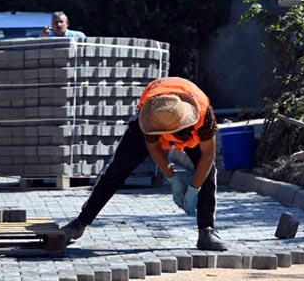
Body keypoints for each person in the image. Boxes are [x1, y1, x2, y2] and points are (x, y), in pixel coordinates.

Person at [60, 76, 227, 251]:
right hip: (156, 113)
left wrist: (194, 188)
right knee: (116, 170)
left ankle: (206, 231)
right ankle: (80, 223)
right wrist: (173, 179)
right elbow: (154, 148)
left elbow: (208, 157)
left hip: (188, 119)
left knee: (208, 172)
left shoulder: (203, 115)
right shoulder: (151, 117)